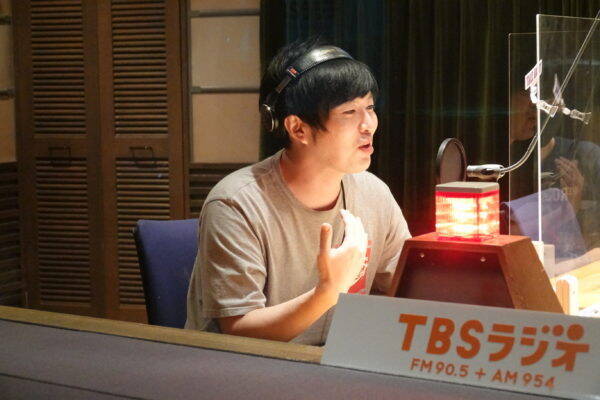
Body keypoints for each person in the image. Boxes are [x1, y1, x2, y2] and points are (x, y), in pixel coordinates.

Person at [185, 38, 411, 345]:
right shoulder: (236, 204)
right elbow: (239, 330)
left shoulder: (374, 194)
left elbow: (403, 287)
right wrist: (328, 291)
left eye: (369, 107)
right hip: (243, 366)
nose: (368, 124)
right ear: (298, 129)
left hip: (333, 363)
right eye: (349, 112)